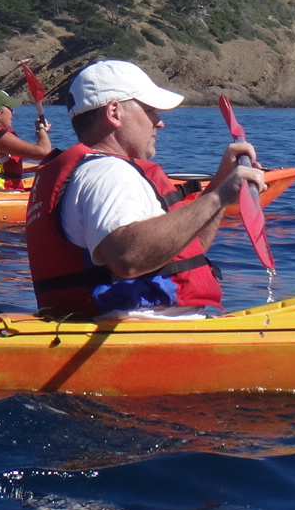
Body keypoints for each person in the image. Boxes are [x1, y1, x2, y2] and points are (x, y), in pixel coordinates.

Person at [24, 60, 263, 319]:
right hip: (149, 336)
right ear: (114, 112)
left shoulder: (99, 171)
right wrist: (218, 197)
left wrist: (219, 183)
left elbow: (188, 245)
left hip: (148, 332)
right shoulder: (109, 174)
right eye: (149, 110)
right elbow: (127, 258)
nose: (159, 122)